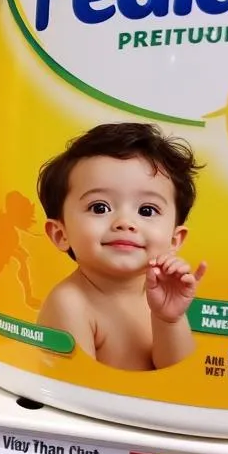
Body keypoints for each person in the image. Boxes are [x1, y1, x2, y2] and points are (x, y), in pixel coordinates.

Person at [36, 122, 207, 371]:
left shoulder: (165, 295)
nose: (125, 223)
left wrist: (169, 320)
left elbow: (179, 378)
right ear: (61, 234)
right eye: (99, 207)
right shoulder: (71, 303)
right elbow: (77, 389)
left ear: (174, 240)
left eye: (147, 210)